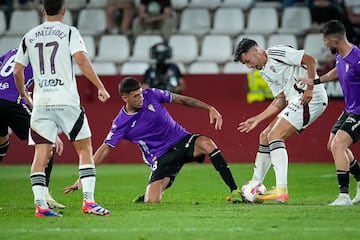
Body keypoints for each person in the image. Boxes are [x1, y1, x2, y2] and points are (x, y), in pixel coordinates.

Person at [63, 77, 242, 204]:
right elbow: (104, 149)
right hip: (161, 156)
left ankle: (234, 190)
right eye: (136, 96)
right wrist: (83, 177)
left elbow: (181, 99)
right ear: (125, 98)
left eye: (140, 94)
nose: (141, 98)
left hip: (181, 140)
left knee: (207, 143)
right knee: (152, 201)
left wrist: (209, 108)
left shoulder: (152, 94)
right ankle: (152, 189)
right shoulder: (121, 123)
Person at [13, 0, 111, 217]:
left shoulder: (29, 35)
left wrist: (23, 94)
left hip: (41, 103)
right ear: (64, 11)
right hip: (66, 100)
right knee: (84, 149)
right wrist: (100, 87)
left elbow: (17, 71)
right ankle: (89, 202)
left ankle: (40, 206)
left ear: (43, 11)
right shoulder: (69, 32)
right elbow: (82, 60)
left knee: (41, 154)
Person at [233, 38, 328, 203]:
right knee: (265, 135)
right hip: (295, 101)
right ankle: (256, 182)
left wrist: (311, 88)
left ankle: (281, 190)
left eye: (247, 61)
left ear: (255, 51)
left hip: (310, 98)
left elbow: (311, 60)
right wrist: (257, 118)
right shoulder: (264, 72)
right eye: (245, 64)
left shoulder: (277, 53)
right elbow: (280, 100)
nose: (248, 66)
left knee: (275, 135)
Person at [299, 20, 360, 206]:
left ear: (334, 40)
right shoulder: (341, 56)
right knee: (332, 145)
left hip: (359, 112)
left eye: (325, 41)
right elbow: (336, 71)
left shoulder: (357, 58)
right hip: (349, 109)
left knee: (338, 146)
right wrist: (314, 82)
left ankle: (344, 196)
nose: (324, 44)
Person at [0, 48, 65, 209]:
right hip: (14, 102)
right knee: (46, 142)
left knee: (2, 142)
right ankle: (44, 193)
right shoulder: (41, 59)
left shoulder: (12, 52)